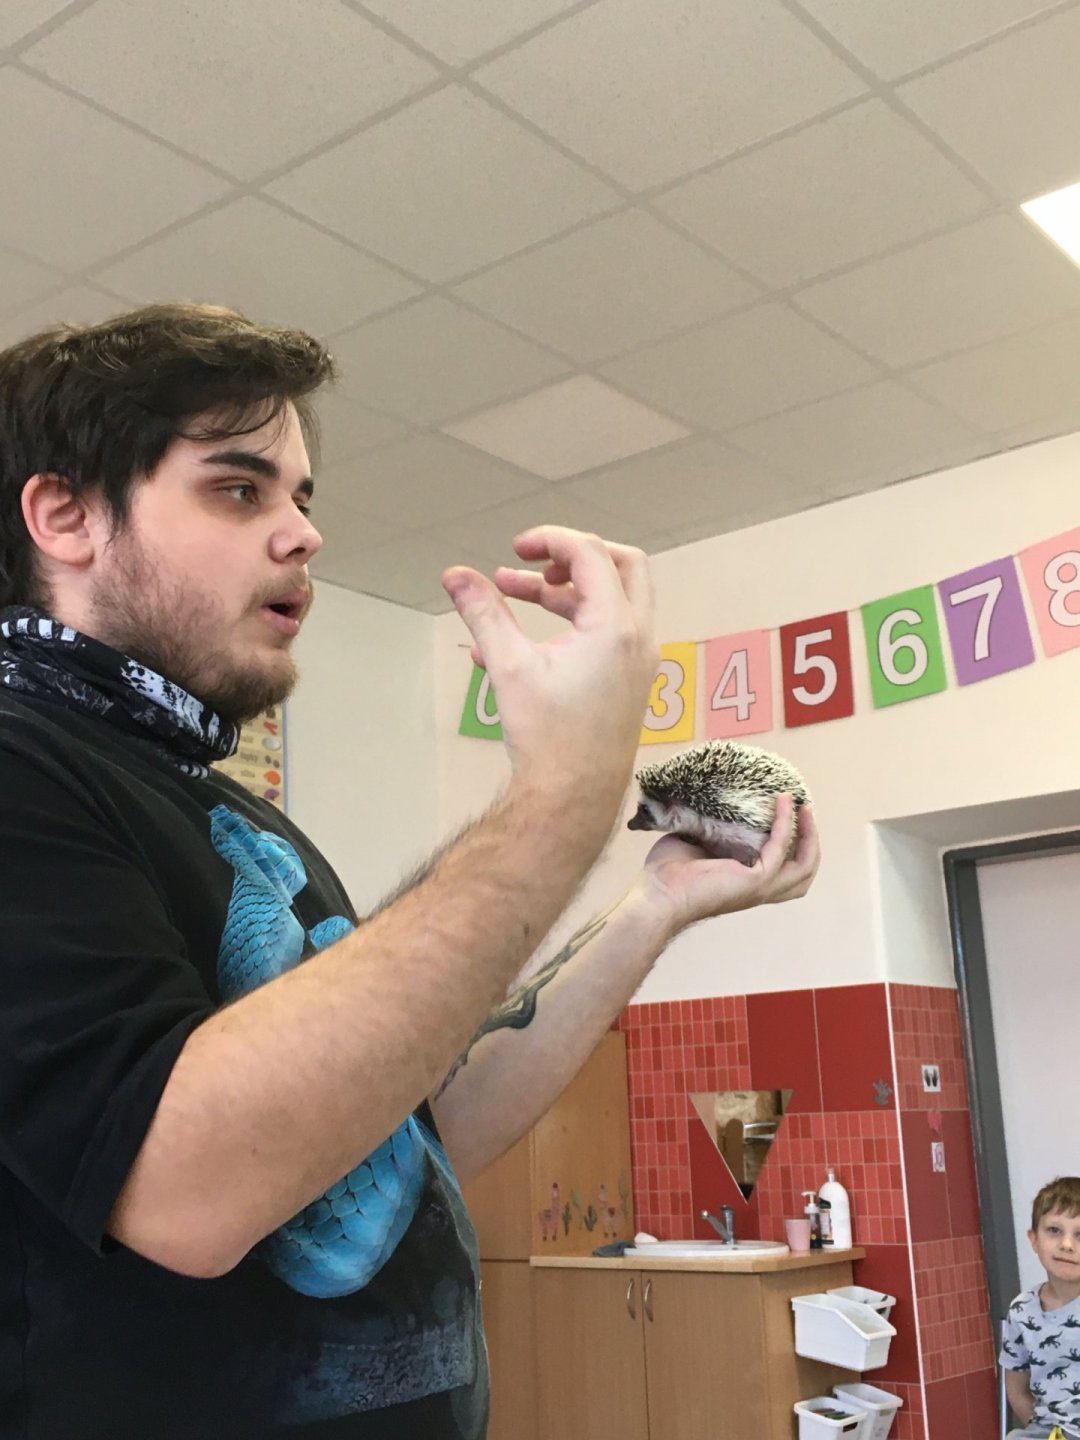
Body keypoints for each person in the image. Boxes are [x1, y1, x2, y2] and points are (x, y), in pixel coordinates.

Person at [0, 302, 819, 1439]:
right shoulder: (22, 766)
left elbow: (404, 1125)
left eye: (301, 498)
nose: (301, 534)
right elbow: (186, 1192)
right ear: (66, 516)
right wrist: (565, 793)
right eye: (238, 490)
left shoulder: (230, 810)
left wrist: (652, 905)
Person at [1001, 1176, 1080, 1439]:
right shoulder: (1021, 1311)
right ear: (1034, 1239)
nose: (1067, 1244)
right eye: (1054, 1230)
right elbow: (1016, 1389)